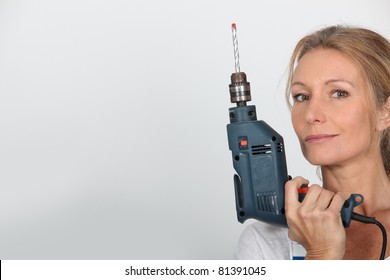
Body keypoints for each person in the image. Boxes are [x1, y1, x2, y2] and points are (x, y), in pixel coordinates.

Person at [234, 25, 390, 260]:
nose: (311, 114)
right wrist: (320, 254)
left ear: (384, 112)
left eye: (339, 93)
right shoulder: (264, 243)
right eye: (302, 97)